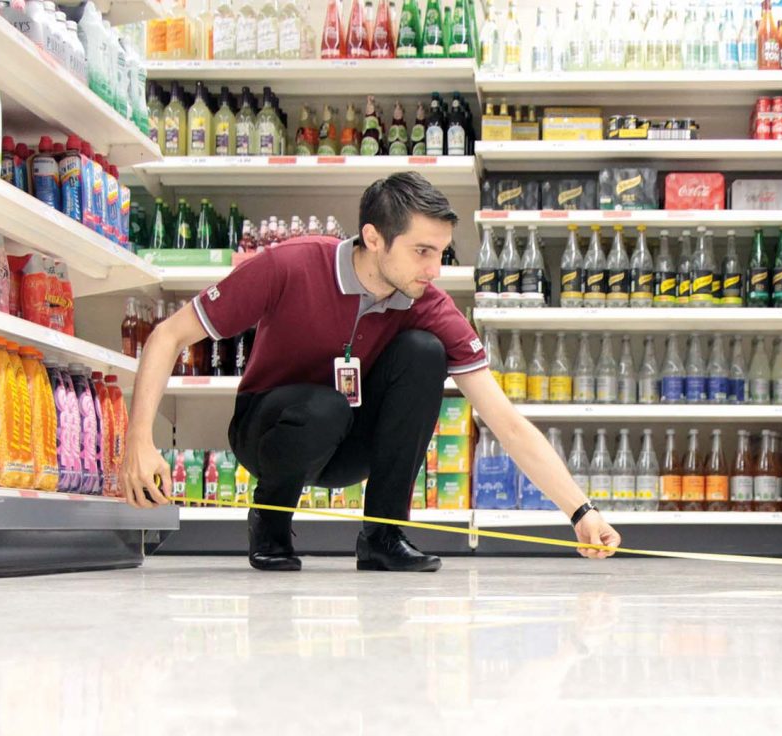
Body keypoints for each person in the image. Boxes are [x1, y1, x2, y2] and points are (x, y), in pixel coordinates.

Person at [122, 172, 622, 571]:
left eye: (441, 253)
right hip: (268, 431)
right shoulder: (289, 265)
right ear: (373, 238)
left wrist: (581, 512)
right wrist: (138, 442)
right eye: (422, 251)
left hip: (349, 441)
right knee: (324, 407)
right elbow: (168, 335)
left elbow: (504, 420)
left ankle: (383, 536)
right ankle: (270, 524)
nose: (434, 269)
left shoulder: (428, 303)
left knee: (424, 351)